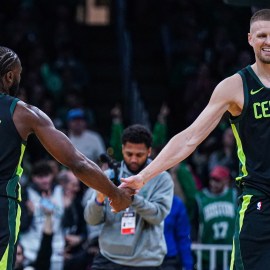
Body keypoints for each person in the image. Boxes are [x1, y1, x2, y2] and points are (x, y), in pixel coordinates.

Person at [120, 9, 270, 269]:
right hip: (260, 198)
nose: (268, 41)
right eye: (262, 35)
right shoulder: (235, 86)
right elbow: (190, 138)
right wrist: (144, 176)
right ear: (249, 39)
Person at [0, 46, 132, 270]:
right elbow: (77, 163)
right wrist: (115, 193)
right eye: (19, 74)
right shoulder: (23, 113)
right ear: (10, 76)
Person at [84, 124, 174, 269]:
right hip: (108, 257)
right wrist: (98, 200)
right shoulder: (109, 176)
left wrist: (131, 198)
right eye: (129, 153)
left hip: (145, 261)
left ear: (149, 151)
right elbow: (91, 220)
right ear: (122, 149)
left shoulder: (162, 178)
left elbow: (157, 216)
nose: (133, 159)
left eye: (139, 155)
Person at [192, 165, 237, 270]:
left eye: (217, 180)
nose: (213, 183)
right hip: (207, 252)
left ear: (226, 181)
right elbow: (193, 223)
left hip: (230, 252)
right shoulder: (200, 199)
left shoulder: (234, 196)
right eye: (212, 179)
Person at [161, 195, 193, 270]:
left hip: (169, 259)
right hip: (141, 259)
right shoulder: (138, 201)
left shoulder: (176, 204)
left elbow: (183, 237)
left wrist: (188, 265)